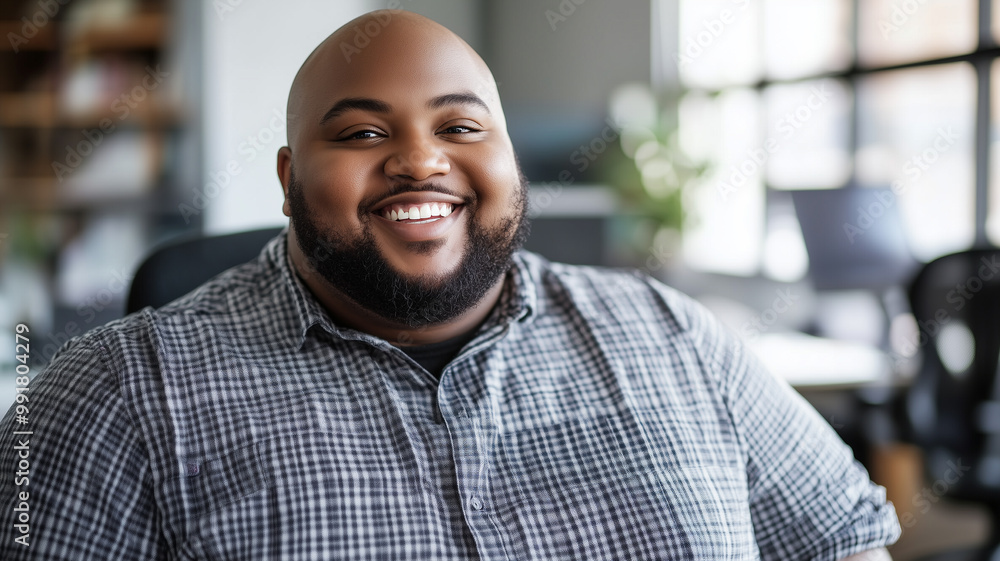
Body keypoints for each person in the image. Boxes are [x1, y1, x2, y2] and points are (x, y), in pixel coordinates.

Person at [0, 9, 900, 560]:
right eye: (359, 134)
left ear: (509, 160)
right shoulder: (111, 397)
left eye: (461, 126)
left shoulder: (676, 336)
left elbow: (844, 540)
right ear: (285, 178)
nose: (420, 160)